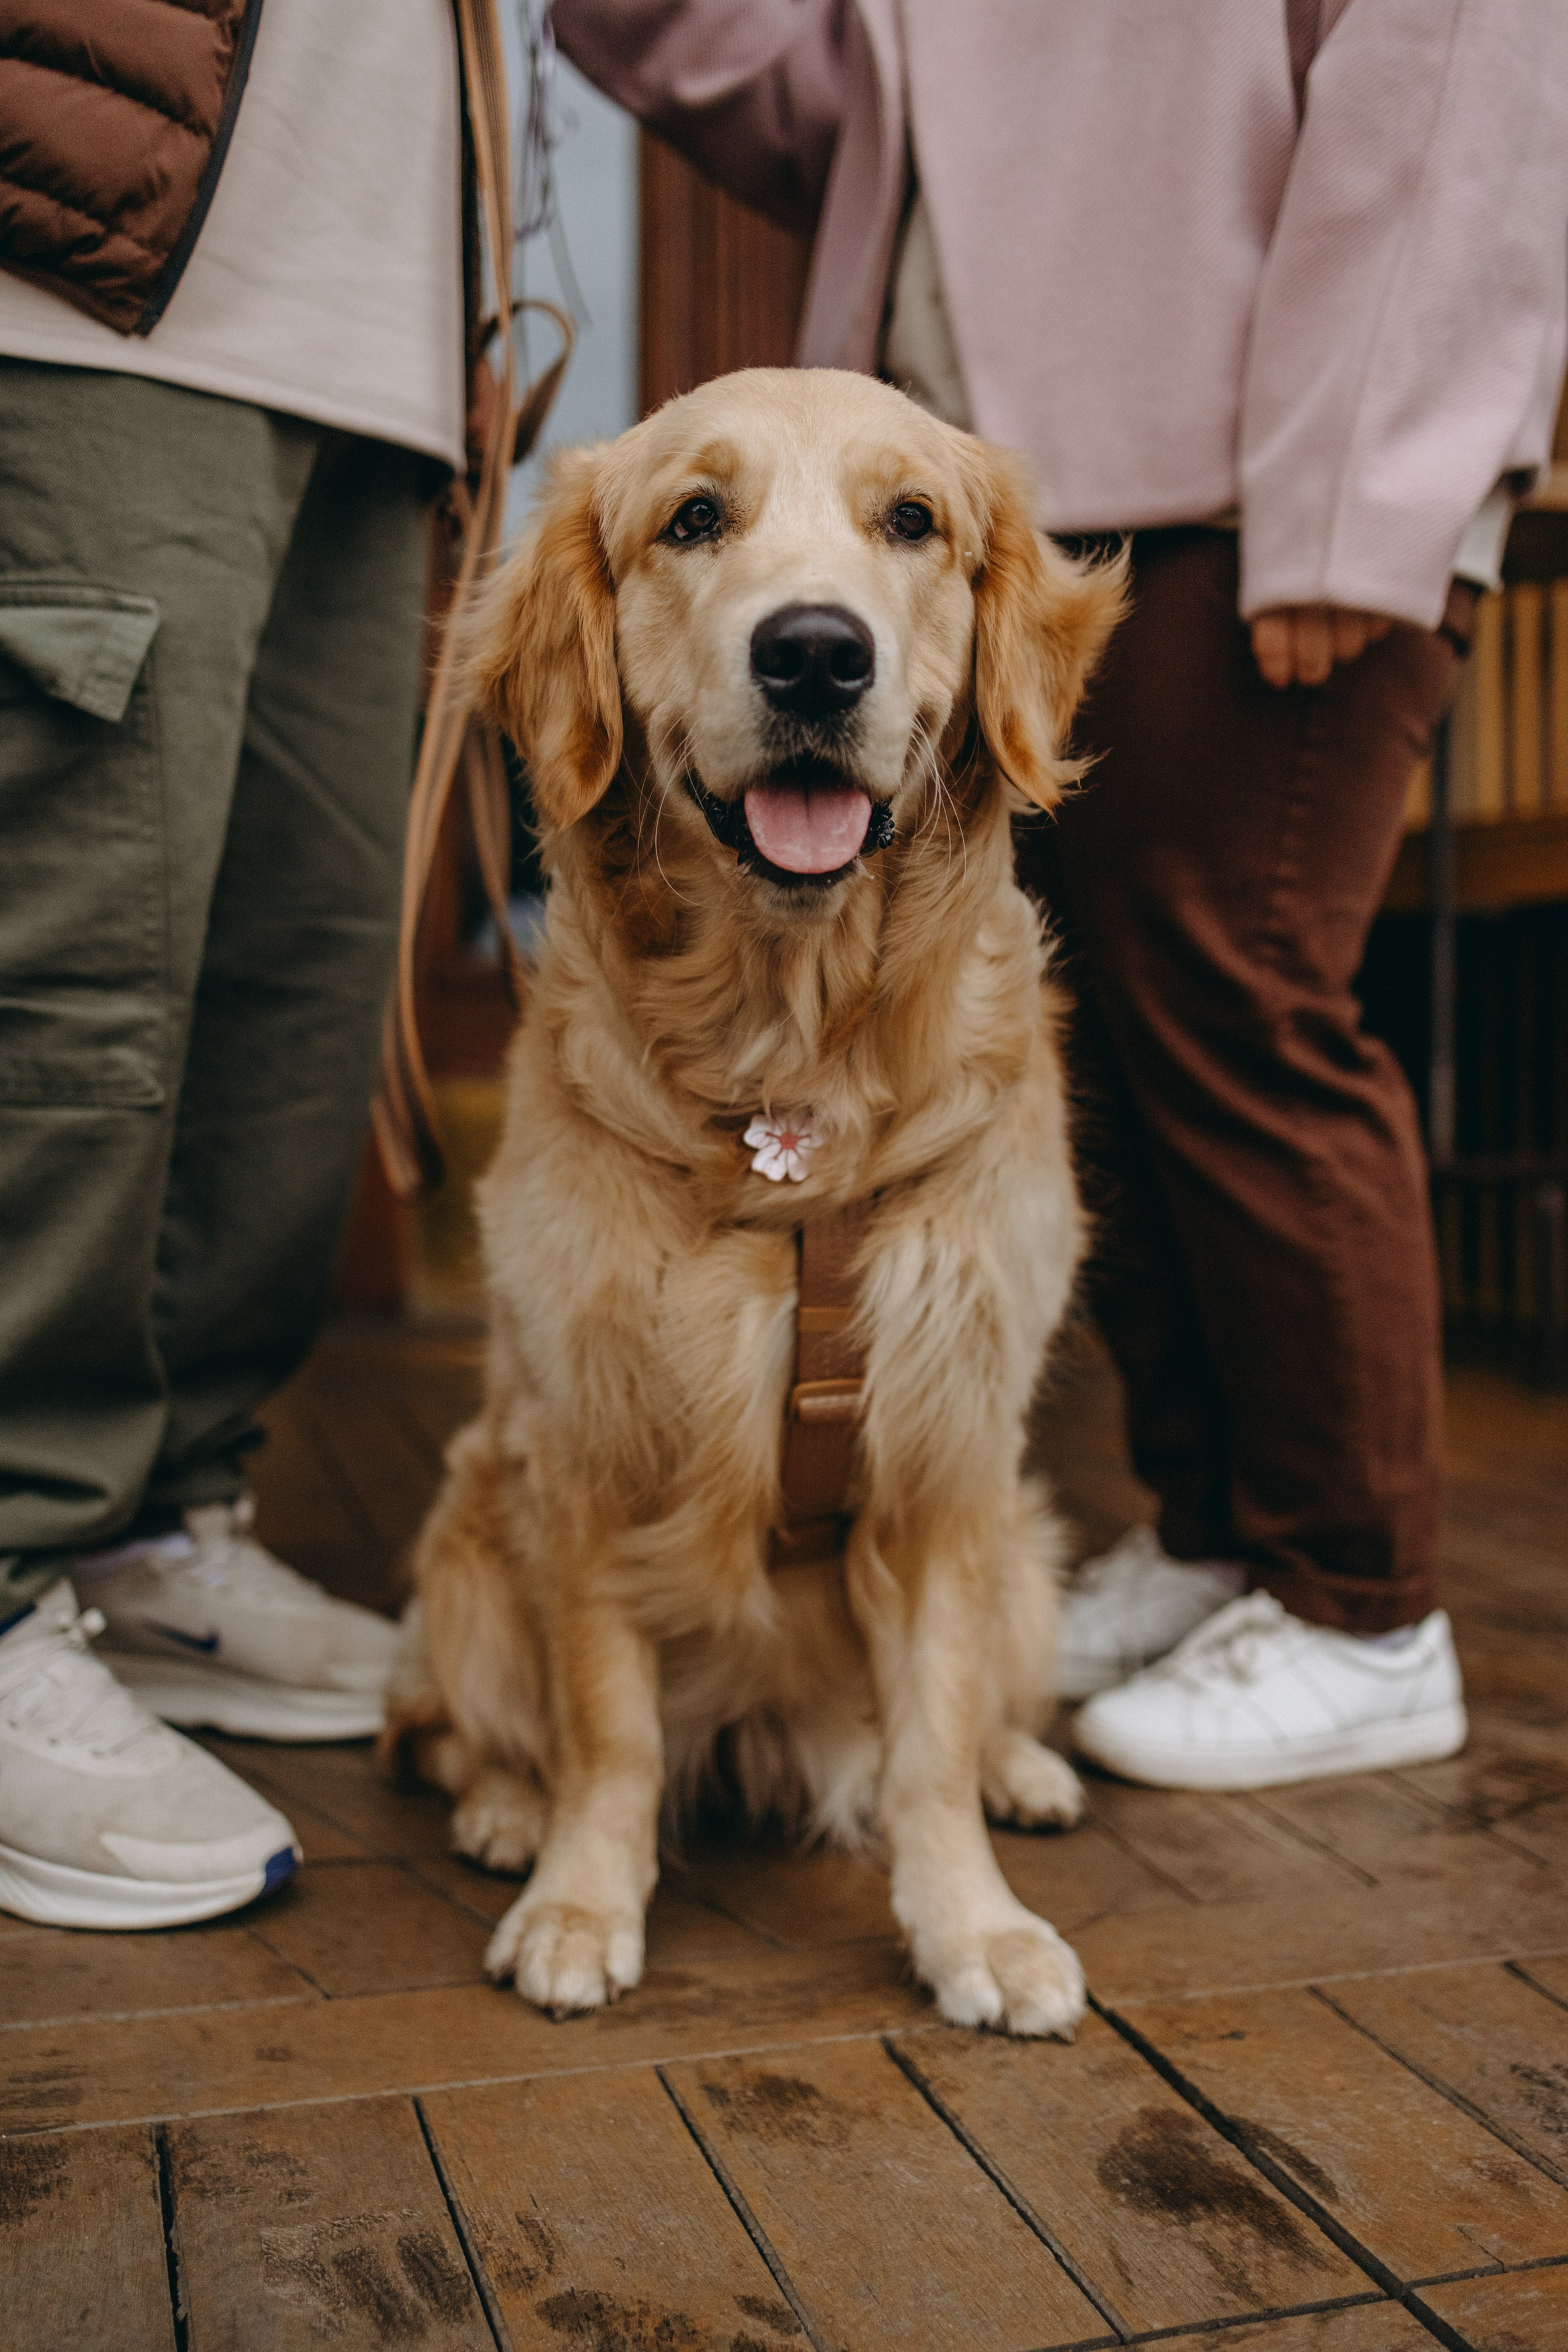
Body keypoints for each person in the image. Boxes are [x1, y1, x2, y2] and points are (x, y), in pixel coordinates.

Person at [552, 0, 1568, 1786]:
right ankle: (1211, 1534)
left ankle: (1363, 1603)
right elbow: (832, 106)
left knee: (1241, 994)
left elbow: (1460, 70)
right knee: (1124, 1030)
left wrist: (1360, 487)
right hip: (999, 508)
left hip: (1258, 482)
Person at [0, 0, 478, 1926]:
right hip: (73, 258)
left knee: (297, 968)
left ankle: (159, 1527)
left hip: (376, 336)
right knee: (69, 970)